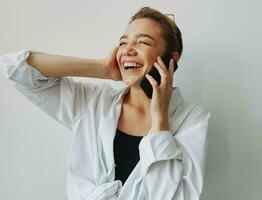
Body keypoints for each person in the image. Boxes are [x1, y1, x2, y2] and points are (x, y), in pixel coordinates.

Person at [0, 6, 211, 200]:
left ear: (171, 59)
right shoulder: (94, 103)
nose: (127, 50)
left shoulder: (192, 120)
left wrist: (160, 120)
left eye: (143, 42)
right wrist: (101, 68)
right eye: (122, 43)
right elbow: (16, 69)